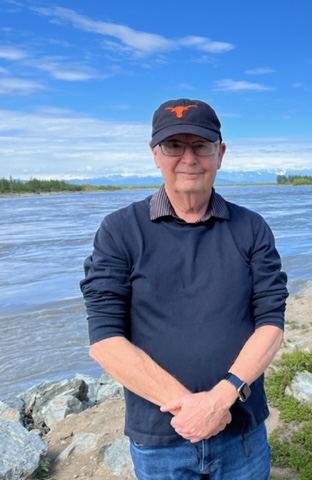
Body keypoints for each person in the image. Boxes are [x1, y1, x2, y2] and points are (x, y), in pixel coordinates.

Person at [80, 98, 289, 480]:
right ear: (155, 154)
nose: (188, 158)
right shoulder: (119, 231)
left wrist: (222, 396)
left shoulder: (251, 228)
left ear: (220, 153)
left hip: (241, 430)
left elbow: (271, 322)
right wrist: (189, 408)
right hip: (160, 438)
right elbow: (105, 339)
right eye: (174, 146)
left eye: (201, 145)